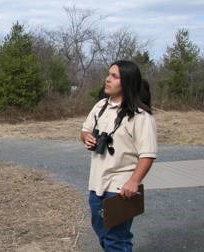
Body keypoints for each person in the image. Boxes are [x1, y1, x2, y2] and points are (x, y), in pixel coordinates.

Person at [80, 60, 158, 251]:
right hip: (97, 184)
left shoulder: (141, 116)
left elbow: (147, 154)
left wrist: (134, 181)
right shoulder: (100, 106)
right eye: (108, 74)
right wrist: (87, 138)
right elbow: (84, 131)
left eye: (114, 76)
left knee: (116, 240)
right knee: (104, 236)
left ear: (127, 82)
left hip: (120, 188)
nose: (107, 79)